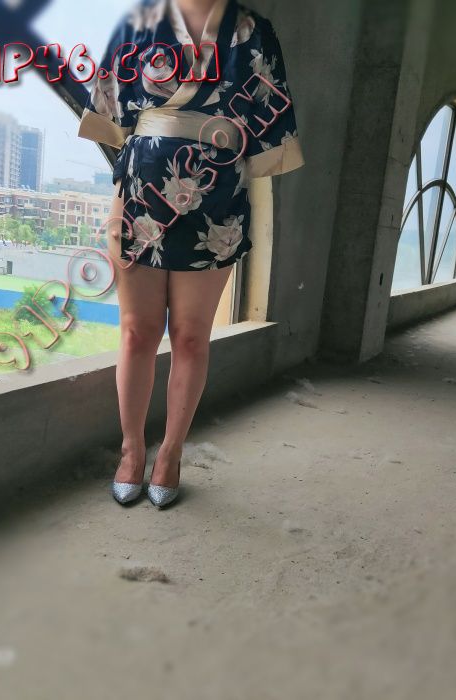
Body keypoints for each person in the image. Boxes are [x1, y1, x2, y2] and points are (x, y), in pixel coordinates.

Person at [77, 0, 303, 507]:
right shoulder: (137, 23)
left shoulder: (254, 31)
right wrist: (118, 206)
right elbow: (113, 116)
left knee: (192, 336)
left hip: (216, 199)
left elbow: (268, 126)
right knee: (137, 331)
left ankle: (171, 454)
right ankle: (131, 450)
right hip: (139, 196)